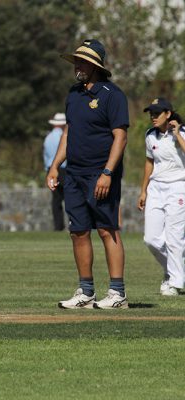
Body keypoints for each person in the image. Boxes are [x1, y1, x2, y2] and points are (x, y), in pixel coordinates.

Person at [46, 39, 129, 309]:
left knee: (106, 230)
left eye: (82, 62)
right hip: (75, 175)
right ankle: (86, 291)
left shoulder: (112, 94)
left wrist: (107, 172)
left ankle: (117, 293)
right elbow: (68, 134)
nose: (77, 67)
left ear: (95, 66)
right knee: (78, 232)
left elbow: (120, 137)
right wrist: (55, 165)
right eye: (76, 62)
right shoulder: (74, 94)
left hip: (100, 173)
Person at [137, 97, 185, 296]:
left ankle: (175, 282)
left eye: (157, 113)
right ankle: (174, 272)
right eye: (151, 113)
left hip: (178, 187)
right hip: (156, 188)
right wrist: (143, 190)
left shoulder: (181, 133)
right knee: (151, 239)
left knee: (175, 238)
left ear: (168, 114)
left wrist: (177, 135)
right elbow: (149, 163)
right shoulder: (150, 135)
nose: (153, 117)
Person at [43, 113, 67, 231]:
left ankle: (58, 226)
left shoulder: (48, 137)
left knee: (56, 199)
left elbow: (46, 157)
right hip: (65, 169)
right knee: (70, 197)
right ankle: (74, 224)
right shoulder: (64, 136)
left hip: (50, 170)